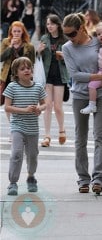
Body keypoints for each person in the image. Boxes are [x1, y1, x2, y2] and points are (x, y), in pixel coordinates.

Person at [62, 13, 102, 194]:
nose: (69, 38)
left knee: (99, 136)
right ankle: (83, 178)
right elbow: (75, 75)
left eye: (72, 33)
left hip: (101, 94)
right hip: (79, 95)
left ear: (82, 28)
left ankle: (99, 178)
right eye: (66, 34)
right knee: (80, 138)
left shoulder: (98, 41)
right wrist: (100, 77)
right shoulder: (67, 48)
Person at [3, 57, 47, 195]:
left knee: (32, 155)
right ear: (16, 73)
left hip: (33, 128)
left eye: (28, 68)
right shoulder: (12, 87)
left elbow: (45, 103)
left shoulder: (38, 87)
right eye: (22, 69)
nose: (26, 70)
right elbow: (7, 107)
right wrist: (24, 110)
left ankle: (31, 177)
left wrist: (40, 108)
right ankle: (12, 183)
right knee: (16, 153)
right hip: (17, 126)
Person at [37, 14, 69, 147]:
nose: (49, 26)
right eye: (48, 24)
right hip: (47, 75)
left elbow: (71, 58)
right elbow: (39, 58)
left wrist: (63, 57)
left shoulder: (65, 40)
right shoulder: (44, 38)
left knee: (57, 107)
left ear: (57, 25)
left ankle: (62, 130)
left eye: (52, 24)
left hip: (60, 75)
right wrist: (38, 51)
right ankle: (47, 135)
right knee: (47, 106)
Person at [0, 21, 35, 95]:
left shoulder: (29, 46)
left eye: (19, 31)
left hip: (23, 75)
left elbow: (32, 63)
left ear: (22, 32)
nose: (16, 33)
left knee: (20, 97)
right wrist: (10, 46)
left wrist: (31, 76)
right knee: (7, 98)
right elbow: (1, 58)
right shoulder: (5, 42)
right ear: (11, 32)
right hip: (8, 74)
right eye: (14, 31)